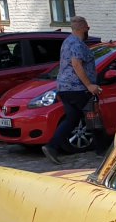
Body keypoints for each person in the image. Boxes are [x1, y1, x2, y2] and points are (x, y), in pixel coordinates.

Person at [42, 15, 101, 164]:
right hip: (78, 89)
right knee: (93, 117)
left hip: (65, 88)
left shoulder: (67, 41)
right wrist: (89, 85)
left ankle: (52, 146)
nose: (88, 29)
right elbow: (76, 64)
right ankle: (103, 150)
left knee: (72, 119)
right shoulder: (77, 44)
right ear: (82, 28)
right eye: (87, 27)